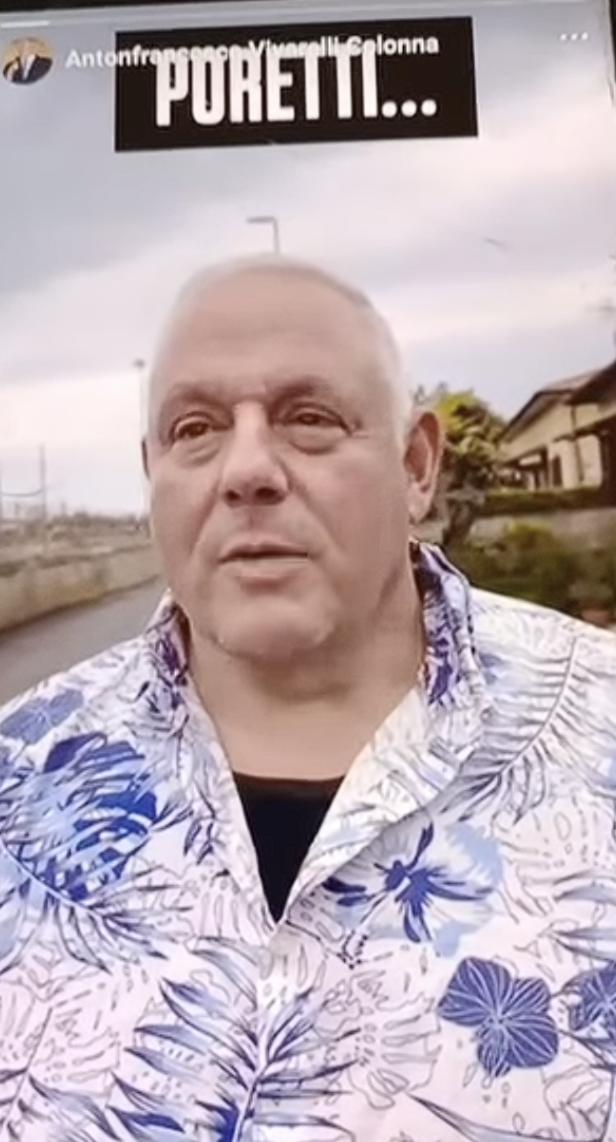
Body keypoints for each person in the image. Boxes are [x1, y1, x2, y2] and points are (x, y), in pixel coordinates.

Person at [0, 255, 615, 1142]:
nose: (247, 468)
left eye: (310, 418)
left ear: (416, 465)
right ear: (152, 474)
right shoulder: (18, 787)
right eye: (195, 429)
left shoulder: (597, 733)